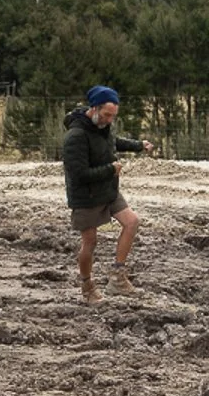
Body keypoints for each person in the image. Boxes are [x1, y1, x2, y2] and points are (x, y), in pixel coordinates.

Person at [62, 85, 153, 304]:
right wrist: (111, 170)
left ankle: (117, 278)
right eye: (106, 115)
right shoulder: (76, 136)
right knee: (90, 242)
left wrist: (139, 145)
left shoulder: (101, 127)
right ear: (94, 109)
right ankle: (87, 287)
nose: (110, 120)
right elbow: (79, 174)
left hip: (108, 190)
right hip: (86, 195)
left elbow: (112, 141)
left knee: (131, 222)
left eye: (113, 116)